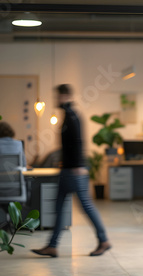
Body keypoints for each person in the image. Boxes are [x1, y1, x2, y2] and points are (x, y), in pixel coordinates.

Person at [32, 84, 111, 257]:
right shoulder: (68, 115)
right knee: (59, 207)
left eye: (59, 96)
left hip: (74, 172)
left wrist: (77, 166)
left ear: (66, 96)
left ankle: (103, 240)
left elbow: (77, 142)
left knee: (86, 206)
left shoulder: (72, 116)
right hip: (67, 170)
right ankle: (52, 246)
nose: (56, 100)